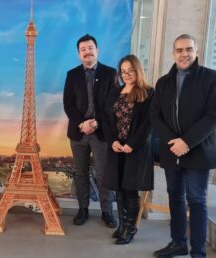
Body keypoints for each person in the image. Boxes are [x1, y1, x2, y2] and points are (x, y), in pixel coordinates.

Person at [150, 34, 216, 258]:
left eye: (188, 49)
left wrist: (186, 142)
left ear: (196, 51)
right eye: (179, 50)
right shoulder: (163, 82)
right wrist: (173, 142)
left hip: (199, 150)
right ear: (173, 53)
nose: (184, 54)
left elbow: (212, 116)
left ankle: (198, 253)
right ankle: (178, 243)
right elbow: (155, 116)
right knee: (174, 195)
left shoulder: (211, 78)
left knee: (196, 200)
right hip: (171, 151)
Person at [63, 34, 117, 228]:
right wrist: (81, 124)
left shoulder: (110, 73)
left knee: (103, 174)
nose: (87, 52)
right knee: (80, 173)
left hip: (101, 132)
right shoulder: (72, 75)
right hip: (78, 133)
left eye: (90, 48)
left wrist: (94, 124)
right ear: (79, 54)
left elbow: (113, 104)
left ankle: (107, 211)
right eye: (83, 49)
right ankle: (83, 209)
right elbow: (68, 105)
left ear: (97, 50)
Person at [102, 54, 154, 244]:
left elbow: (148, 123)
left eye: (130, 70)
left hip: (135, 149)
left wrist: (132, 144)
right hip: (117, 148)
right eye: (123, 71)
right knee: (119, 189)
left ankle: (130, 229)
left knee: (130, 190)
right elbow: (106, 120)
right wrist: (112, 141)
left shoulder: (148, 92)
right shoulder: (115, 91)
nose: (127, 74)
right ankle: (122, 225)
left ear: (138, 70)